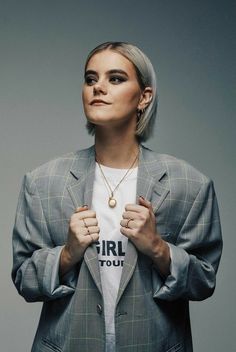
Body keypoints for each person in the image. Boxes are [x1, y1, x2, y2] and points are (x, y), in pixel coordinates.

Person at [12, 41, 222, 352]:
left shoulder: (189, 184)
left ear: (144, 97)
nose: (98, 88)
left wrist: (159, 249)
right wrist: (67, 254)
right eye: (90, 79)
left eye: (116, 78)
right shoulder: (42, 182)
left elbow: (204, 281)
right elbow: (24, 278)